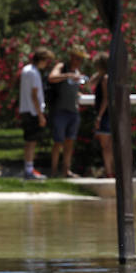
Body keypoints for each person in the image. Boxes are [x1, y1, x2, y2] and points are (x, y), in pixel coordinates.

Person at [47, 44, 88, 178]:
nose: (79, 62)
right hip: (60, 111)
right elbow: (52, 78)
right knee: (58, 142)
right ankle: (53, 171)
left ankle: (66, 171)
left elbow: (73, 90)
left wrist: (79, 94)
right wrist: (67, 75)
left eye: (81, 59)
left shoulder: (77, 73)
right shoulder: (62, 67)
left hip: (73, 112)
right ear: (71, 57)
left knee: (70, 142)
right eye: (78, 58)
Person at [19, 46, 55, 180]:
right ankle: (29, 170)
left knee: (29, 141)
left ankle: (29, 167)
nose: (46, 64)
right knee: (32, 141)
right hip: (33, 111)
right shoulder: (34, 73)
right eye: (46, 61)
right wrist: (40, 115)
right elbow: (34, 95)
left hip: (25, 109)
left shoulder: (26, 69)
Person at [90, 51, 114, 178]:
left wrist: (99, 117)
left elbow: (106, 99)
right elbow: (90, 82)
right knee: (109, 146)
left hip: (105, 115)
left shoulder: (105, 79)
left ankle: (109, 171)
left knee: (106, 147)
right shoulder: (106, 76)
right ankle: (110, 171)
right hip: (109, 115)